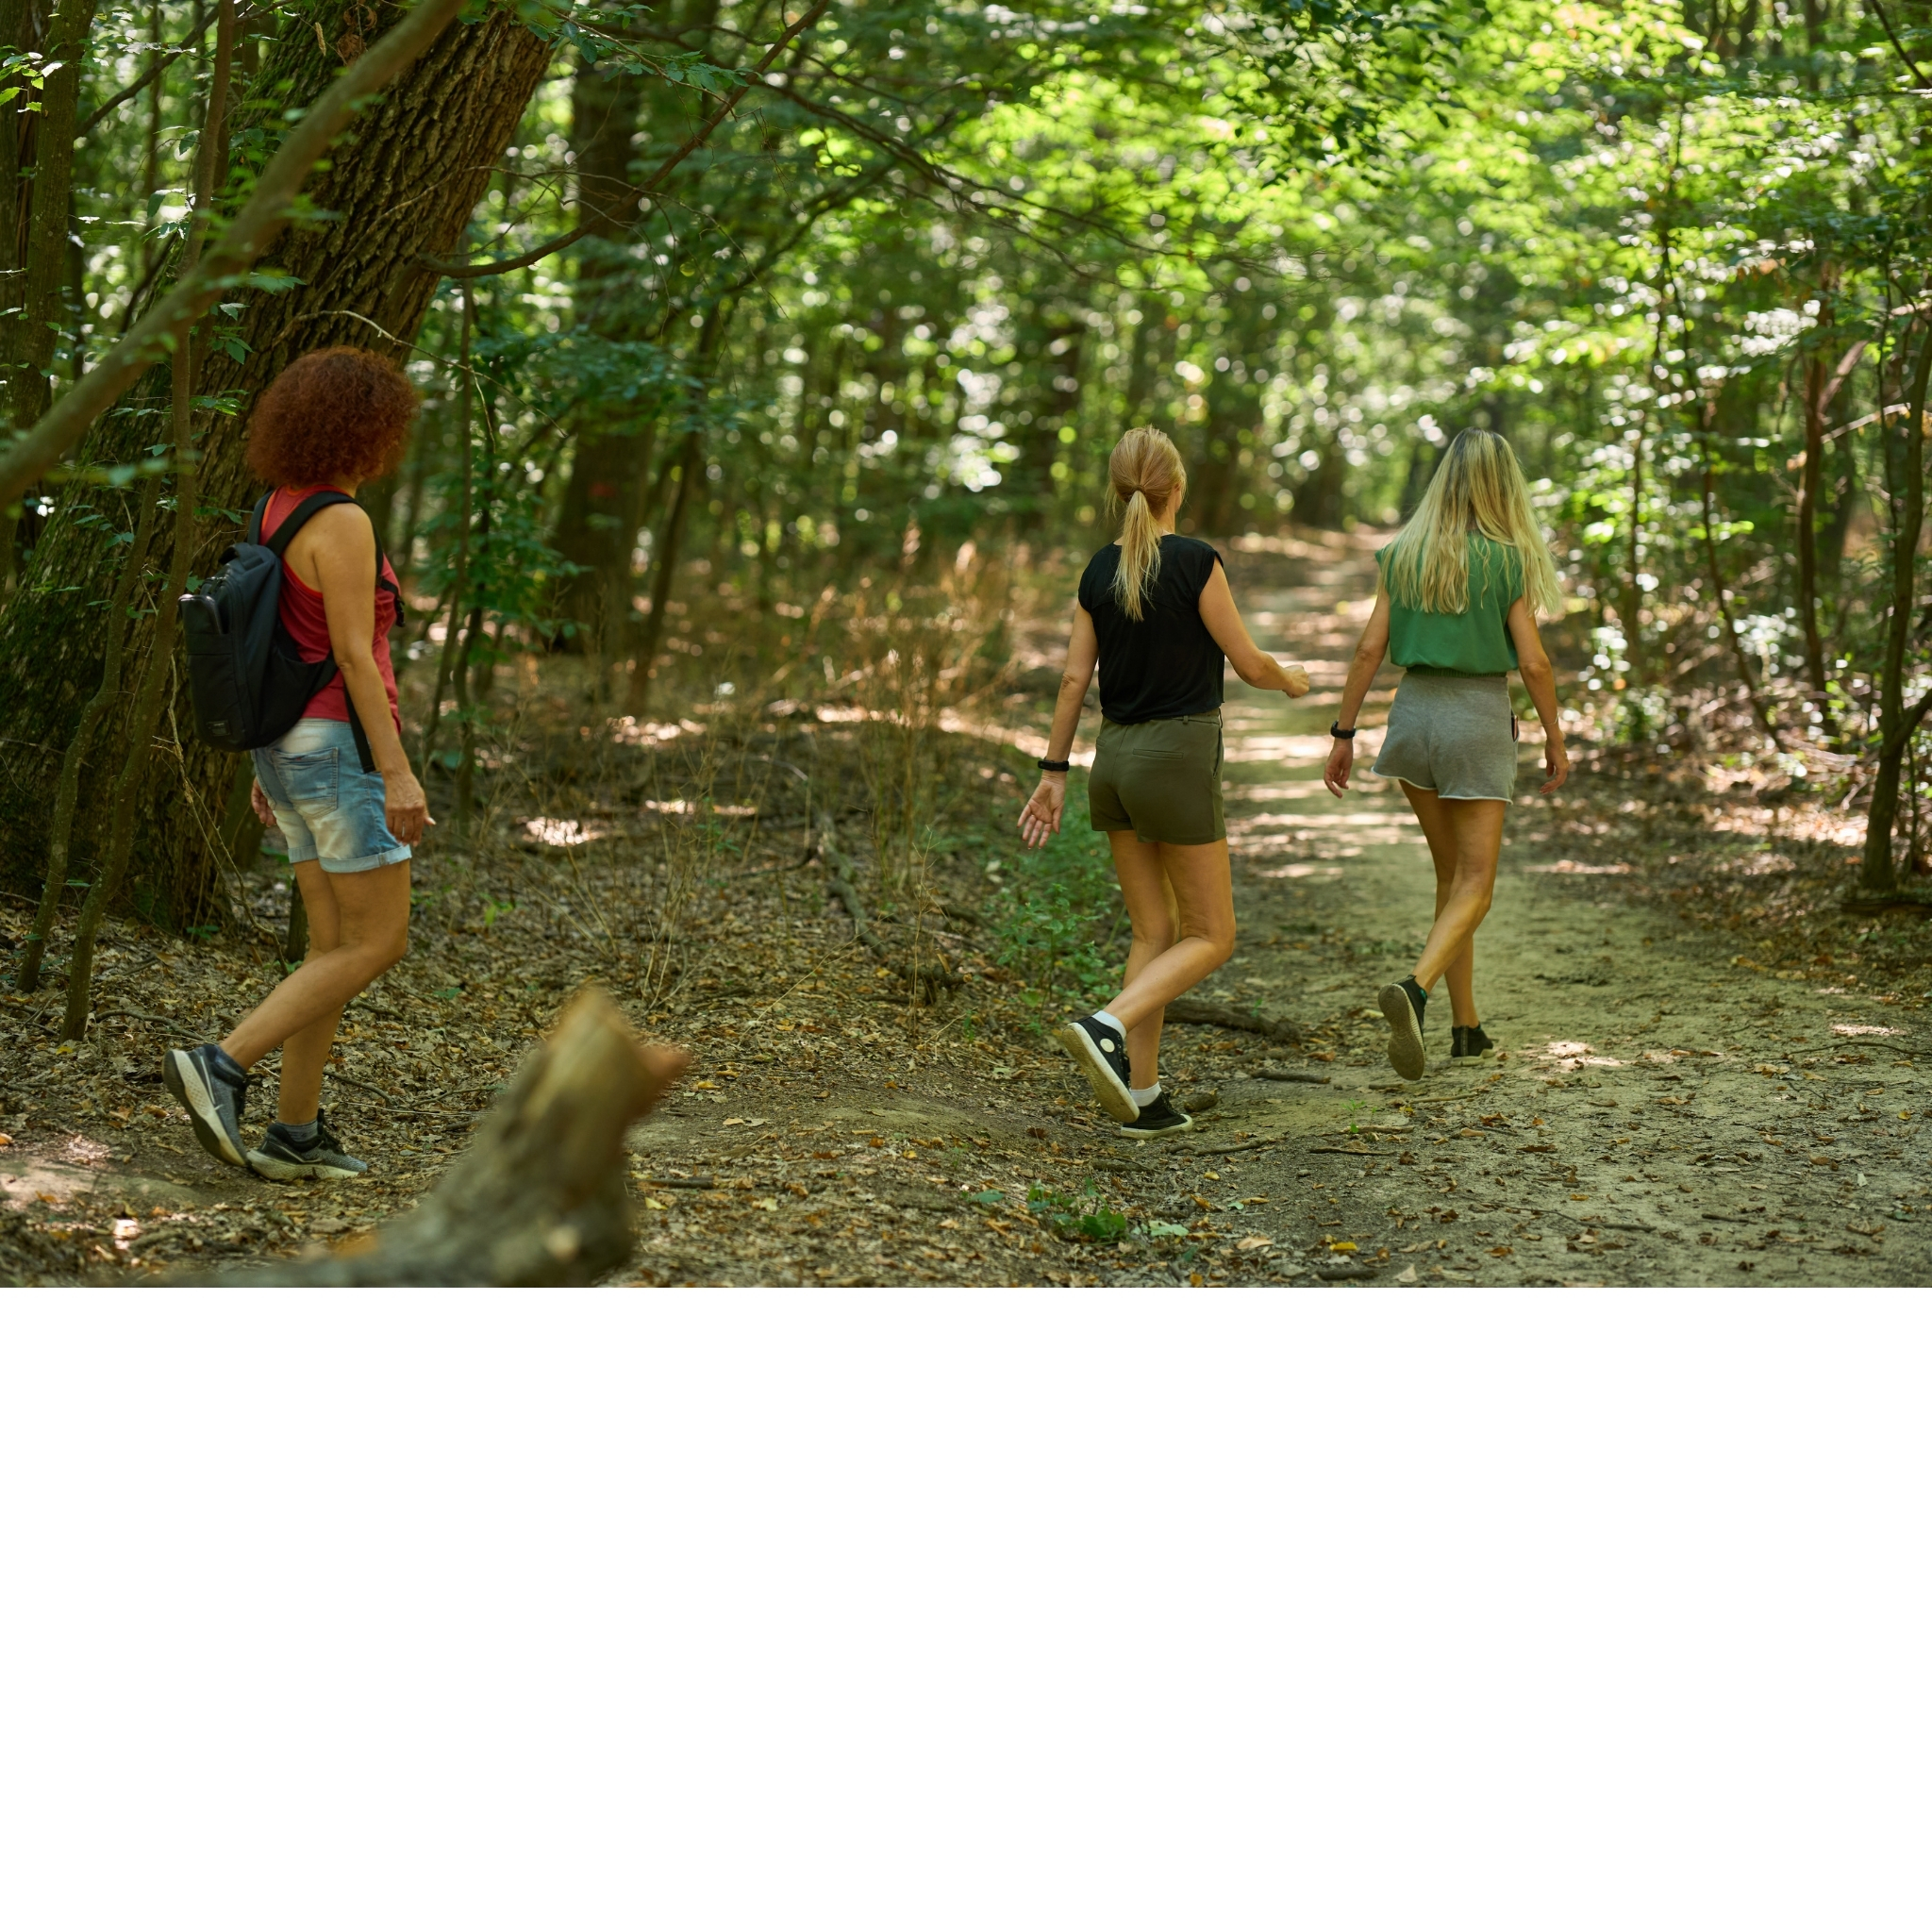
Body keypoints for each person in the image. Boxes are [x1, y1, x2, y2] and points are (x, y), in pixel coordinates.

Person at [163, 347, 431, 1179]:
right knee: (379, 942)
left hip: (288, 749)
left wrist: (266, 768)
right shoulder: (342, 521)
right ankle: (221, 1063)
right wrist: (396, 771)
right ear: (366, 430)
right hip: (340, 749)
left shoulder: (274, 509)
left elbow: (275, 643)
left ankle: (296, 1131)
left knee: (331, 949)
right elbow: (350, 655)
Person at [1018, 425, 1310, 1135]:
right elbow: (1248, 663)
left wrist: (1053, 772)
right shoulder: (1195, 562)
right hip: (1176, 758)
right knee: (1213, 935)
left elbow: (1071, 681)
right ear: (1176, 488)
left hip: (1112, 761)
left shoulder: (1098, 571)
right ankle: (1107, 1025)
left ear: (1118, 492)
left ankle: (1142, 1096)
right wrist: (1292, 680)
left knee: (1154, 931)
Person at [1323, 426, 1569, 1080]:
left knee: (1450, 878)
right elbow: (1535, 663)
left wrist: (1344, 734)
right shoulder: (1509, 560)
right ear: (1502, 486)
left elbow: (1368, 650)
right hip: (1475, 718)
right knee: (1476, 886)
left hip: (1413, 717)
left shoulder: (1401, 554)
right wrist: (1555, 735)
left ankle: (1466, 1027)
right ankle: (1416, 989)